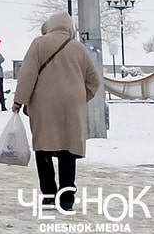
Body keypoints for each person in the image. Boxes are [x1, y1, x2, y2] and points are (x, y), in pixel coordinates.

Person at [12, 12, 100, 212]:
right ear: (70, 28)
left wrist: (20, 100)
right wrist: (80, 98)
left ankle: (49, 196)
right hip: (71, 105)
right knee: (68, 150)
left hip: (43, 104)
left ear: (49, 26)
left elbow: (27, 74)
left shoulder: (39, 44)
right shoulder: (79, 49)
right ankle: (67, 198)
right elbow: (94, 81)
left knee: (43, 147)